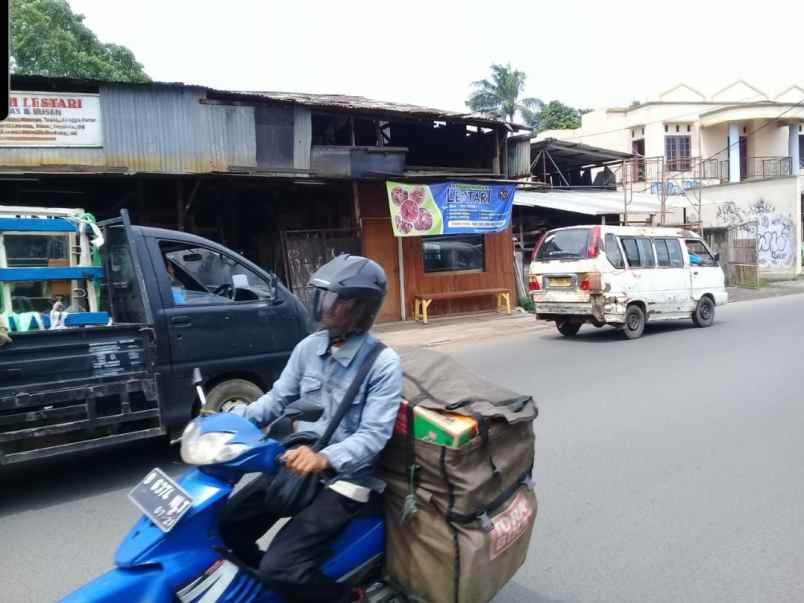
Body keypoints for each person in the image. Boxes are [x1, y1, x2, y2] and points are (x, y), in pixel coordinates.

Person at [219, 254, 402, 603]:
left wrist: (324, 459)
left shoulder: (382, 363)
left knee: (281, 567)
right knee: (228, 524)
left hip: (346, 480)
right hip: (295, 463)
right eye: (324, 297)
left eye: (337, 301)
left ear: (361, 309)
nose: (326, 307)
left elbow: (374, 435)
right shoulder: (309, 347)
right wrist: (226, 422)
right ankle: (269, 593)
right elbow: (275, 400)